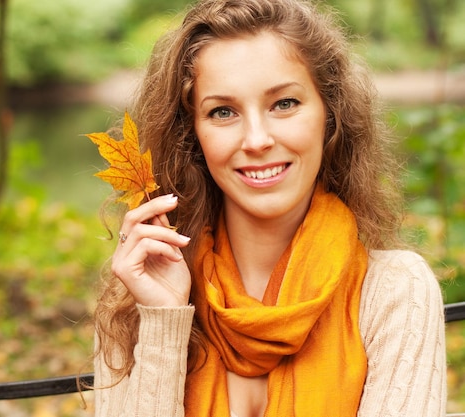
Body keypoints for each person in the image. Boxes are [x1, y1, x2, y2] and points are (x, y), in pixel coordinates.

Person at [91, 0, 447, 416]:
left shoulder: (395, 292)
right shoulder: (136, 300)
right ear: (193, 136)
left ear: (330, 115)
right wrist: (163, 320)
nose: (257, 140)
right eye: (223, 112)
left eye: (284, 104)